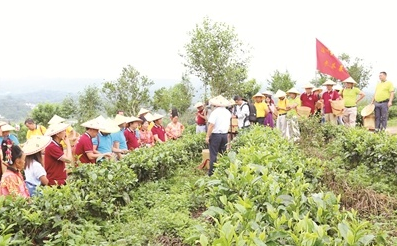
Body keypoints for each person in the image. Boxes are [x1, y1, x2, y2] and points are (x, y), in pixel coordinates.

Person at [205, 95, 231, 176]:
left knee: (213, 154)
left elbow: (211, 125)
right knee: (223, 154)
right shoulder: (228, 112)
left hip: (216, 135)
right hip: (224, 135)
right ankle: (224, 171)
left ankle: (211, 173)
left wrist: (207, 136)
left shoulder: (215, 112)